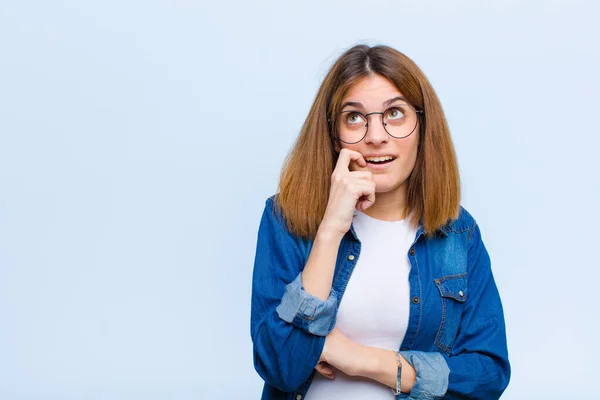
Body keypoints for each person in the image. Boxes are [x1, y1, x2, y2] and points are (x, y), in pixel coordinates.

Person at [250, 44, 510, 400]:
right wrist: (329, 231)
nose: (376, 136)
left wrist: (363, 360)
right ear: (332, 132)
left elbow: (488, 375)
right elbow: (279, 366)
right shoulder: (288, 219)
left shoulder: (457, 234)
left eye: (395, 114)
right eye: (354, 117)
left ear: (423, 126)